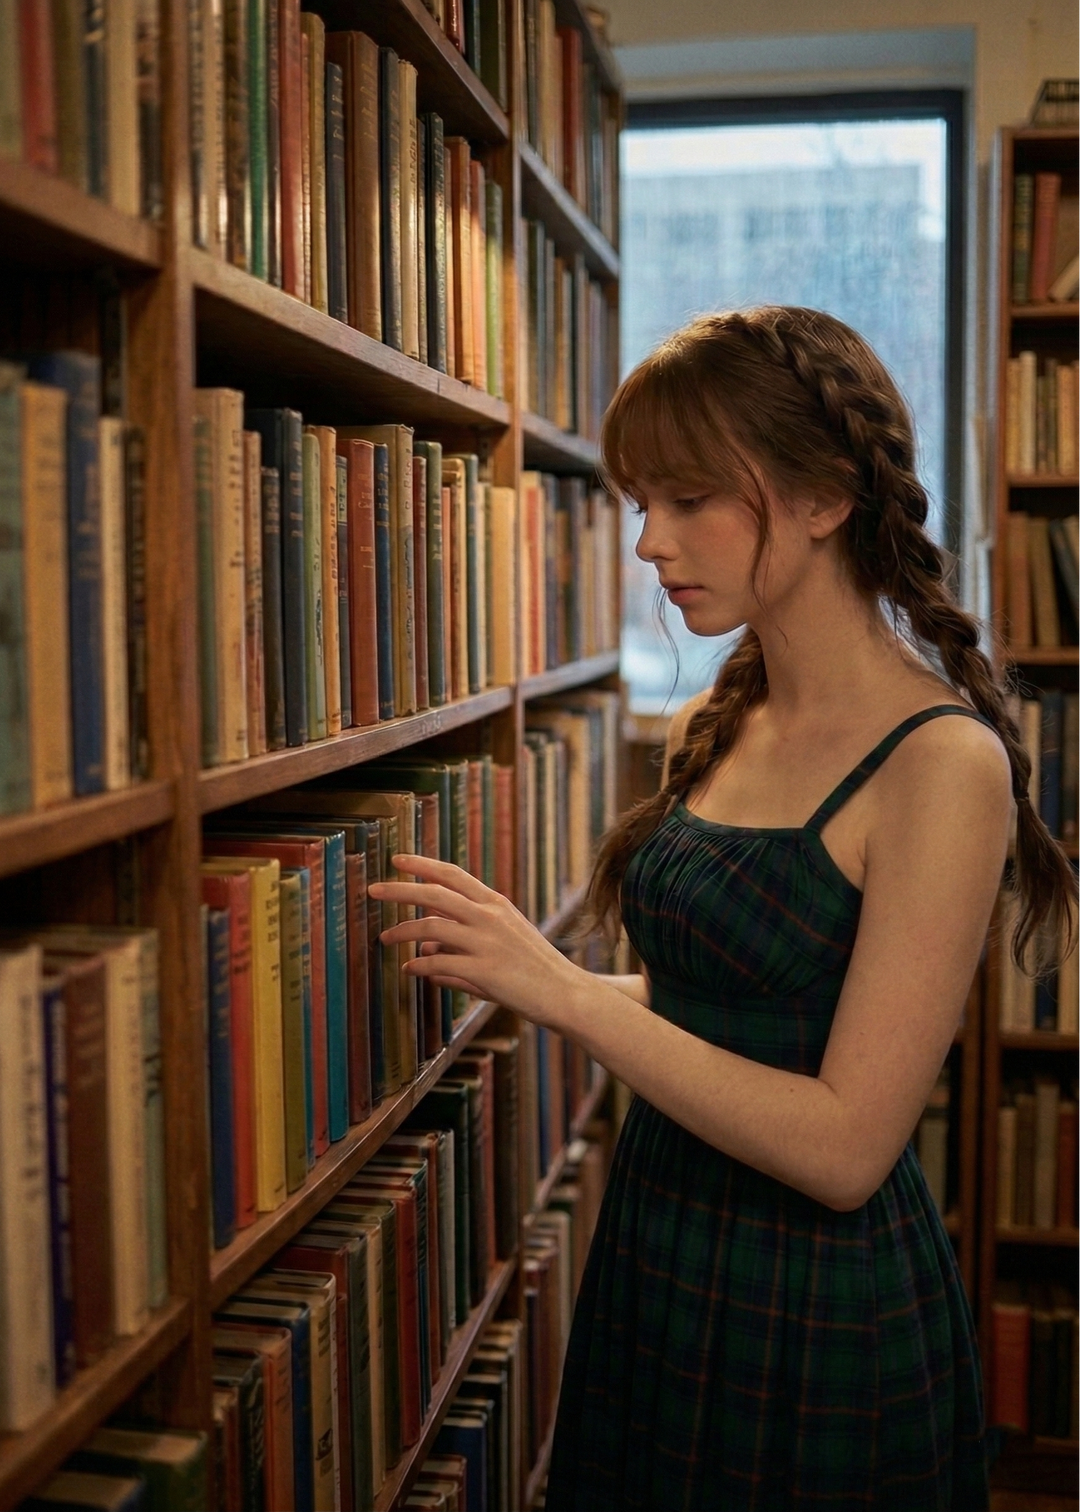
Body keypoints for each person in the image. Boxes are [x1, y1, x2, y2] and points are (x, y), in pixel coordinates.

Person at [369, 308, 1076, 1510]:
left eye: (689, 500)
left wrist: (563, 997)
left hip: (815, 1303)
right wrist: (525, 967)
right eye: (643, 503)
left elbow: (850, 1147)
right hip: (660, 1248)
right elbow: (730, 1012)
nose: (650, 543)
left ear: (824, 497)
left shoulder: (937, 763)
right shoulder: (728, 718)